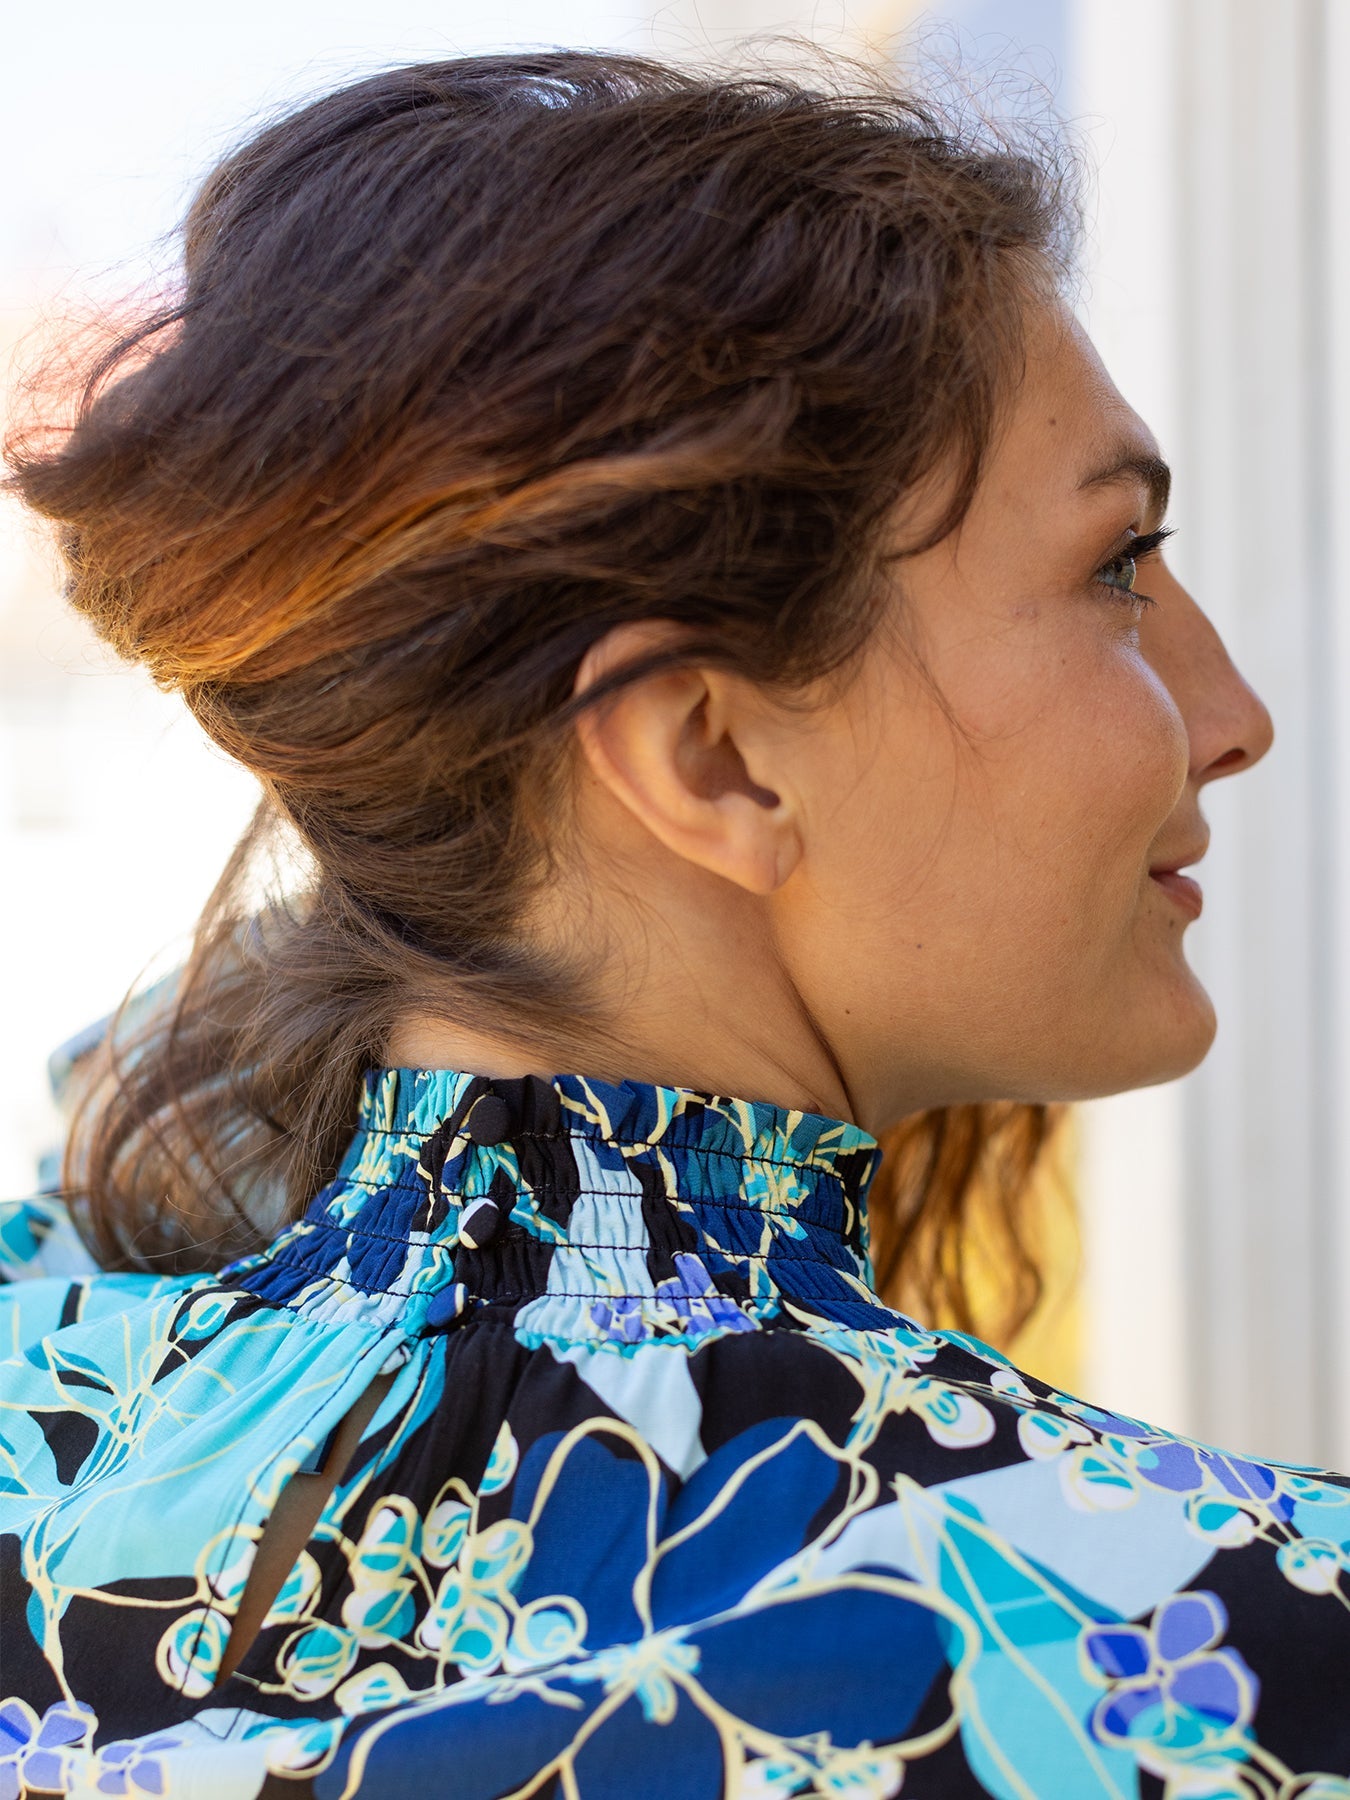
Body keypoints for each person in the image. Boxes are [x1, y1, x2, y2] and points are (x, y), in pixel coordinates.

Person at [0, 46, 1342, 1800]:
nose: (1233, 715)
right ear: (711, 754)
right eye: (1112, 566)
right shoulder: (1212, 1645)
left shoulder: (52, 1400)